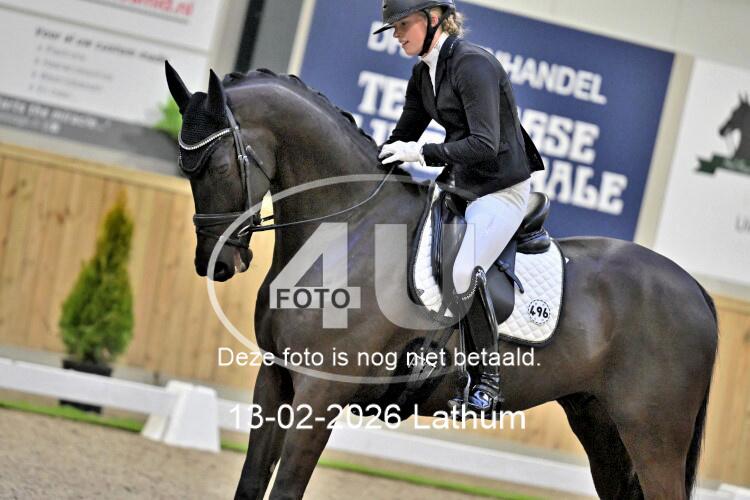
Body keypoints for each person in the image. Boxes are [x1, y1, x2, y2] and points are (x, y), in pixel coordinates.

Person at [375, 0, 544, 413]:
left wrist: (422, 153)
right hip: (461, 185)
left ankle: (488, 378)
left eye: (403, 24)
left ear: (434, 19)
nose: (397, 34)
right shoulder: (423, 74)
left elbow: (485, 144)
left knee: (464, 270)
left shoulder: (472, 64)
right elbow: (402, 136)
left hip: (501, 189)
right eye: (394, 28)